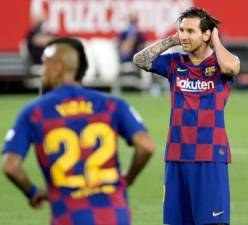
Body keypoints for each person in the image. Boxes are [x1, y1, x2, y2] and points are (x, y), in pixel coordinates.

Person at [2, 37, 155, 225]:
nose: (42, 72)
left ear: (58, 68)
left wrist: (33, 192)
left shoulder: (34, 112)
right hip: (115, 215)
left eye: (45, 65)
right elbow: (146, 146)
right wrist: (128, 178)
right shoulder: (112, 104)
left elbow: (10, 166)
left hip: (70, 217)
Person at [133, 7, 240, 225]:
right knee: (176, 221)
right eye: (181, 30)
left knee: (212, 221)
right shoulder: (175, 63)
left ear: (206, 34)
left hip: (210, 155)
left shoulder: (220, 64)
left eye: (190, 31)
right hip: (176, 153)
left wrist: (216, 40)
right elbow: (140, 60)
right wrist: (171, 41)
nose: (184, 36)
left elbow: (231, 67)